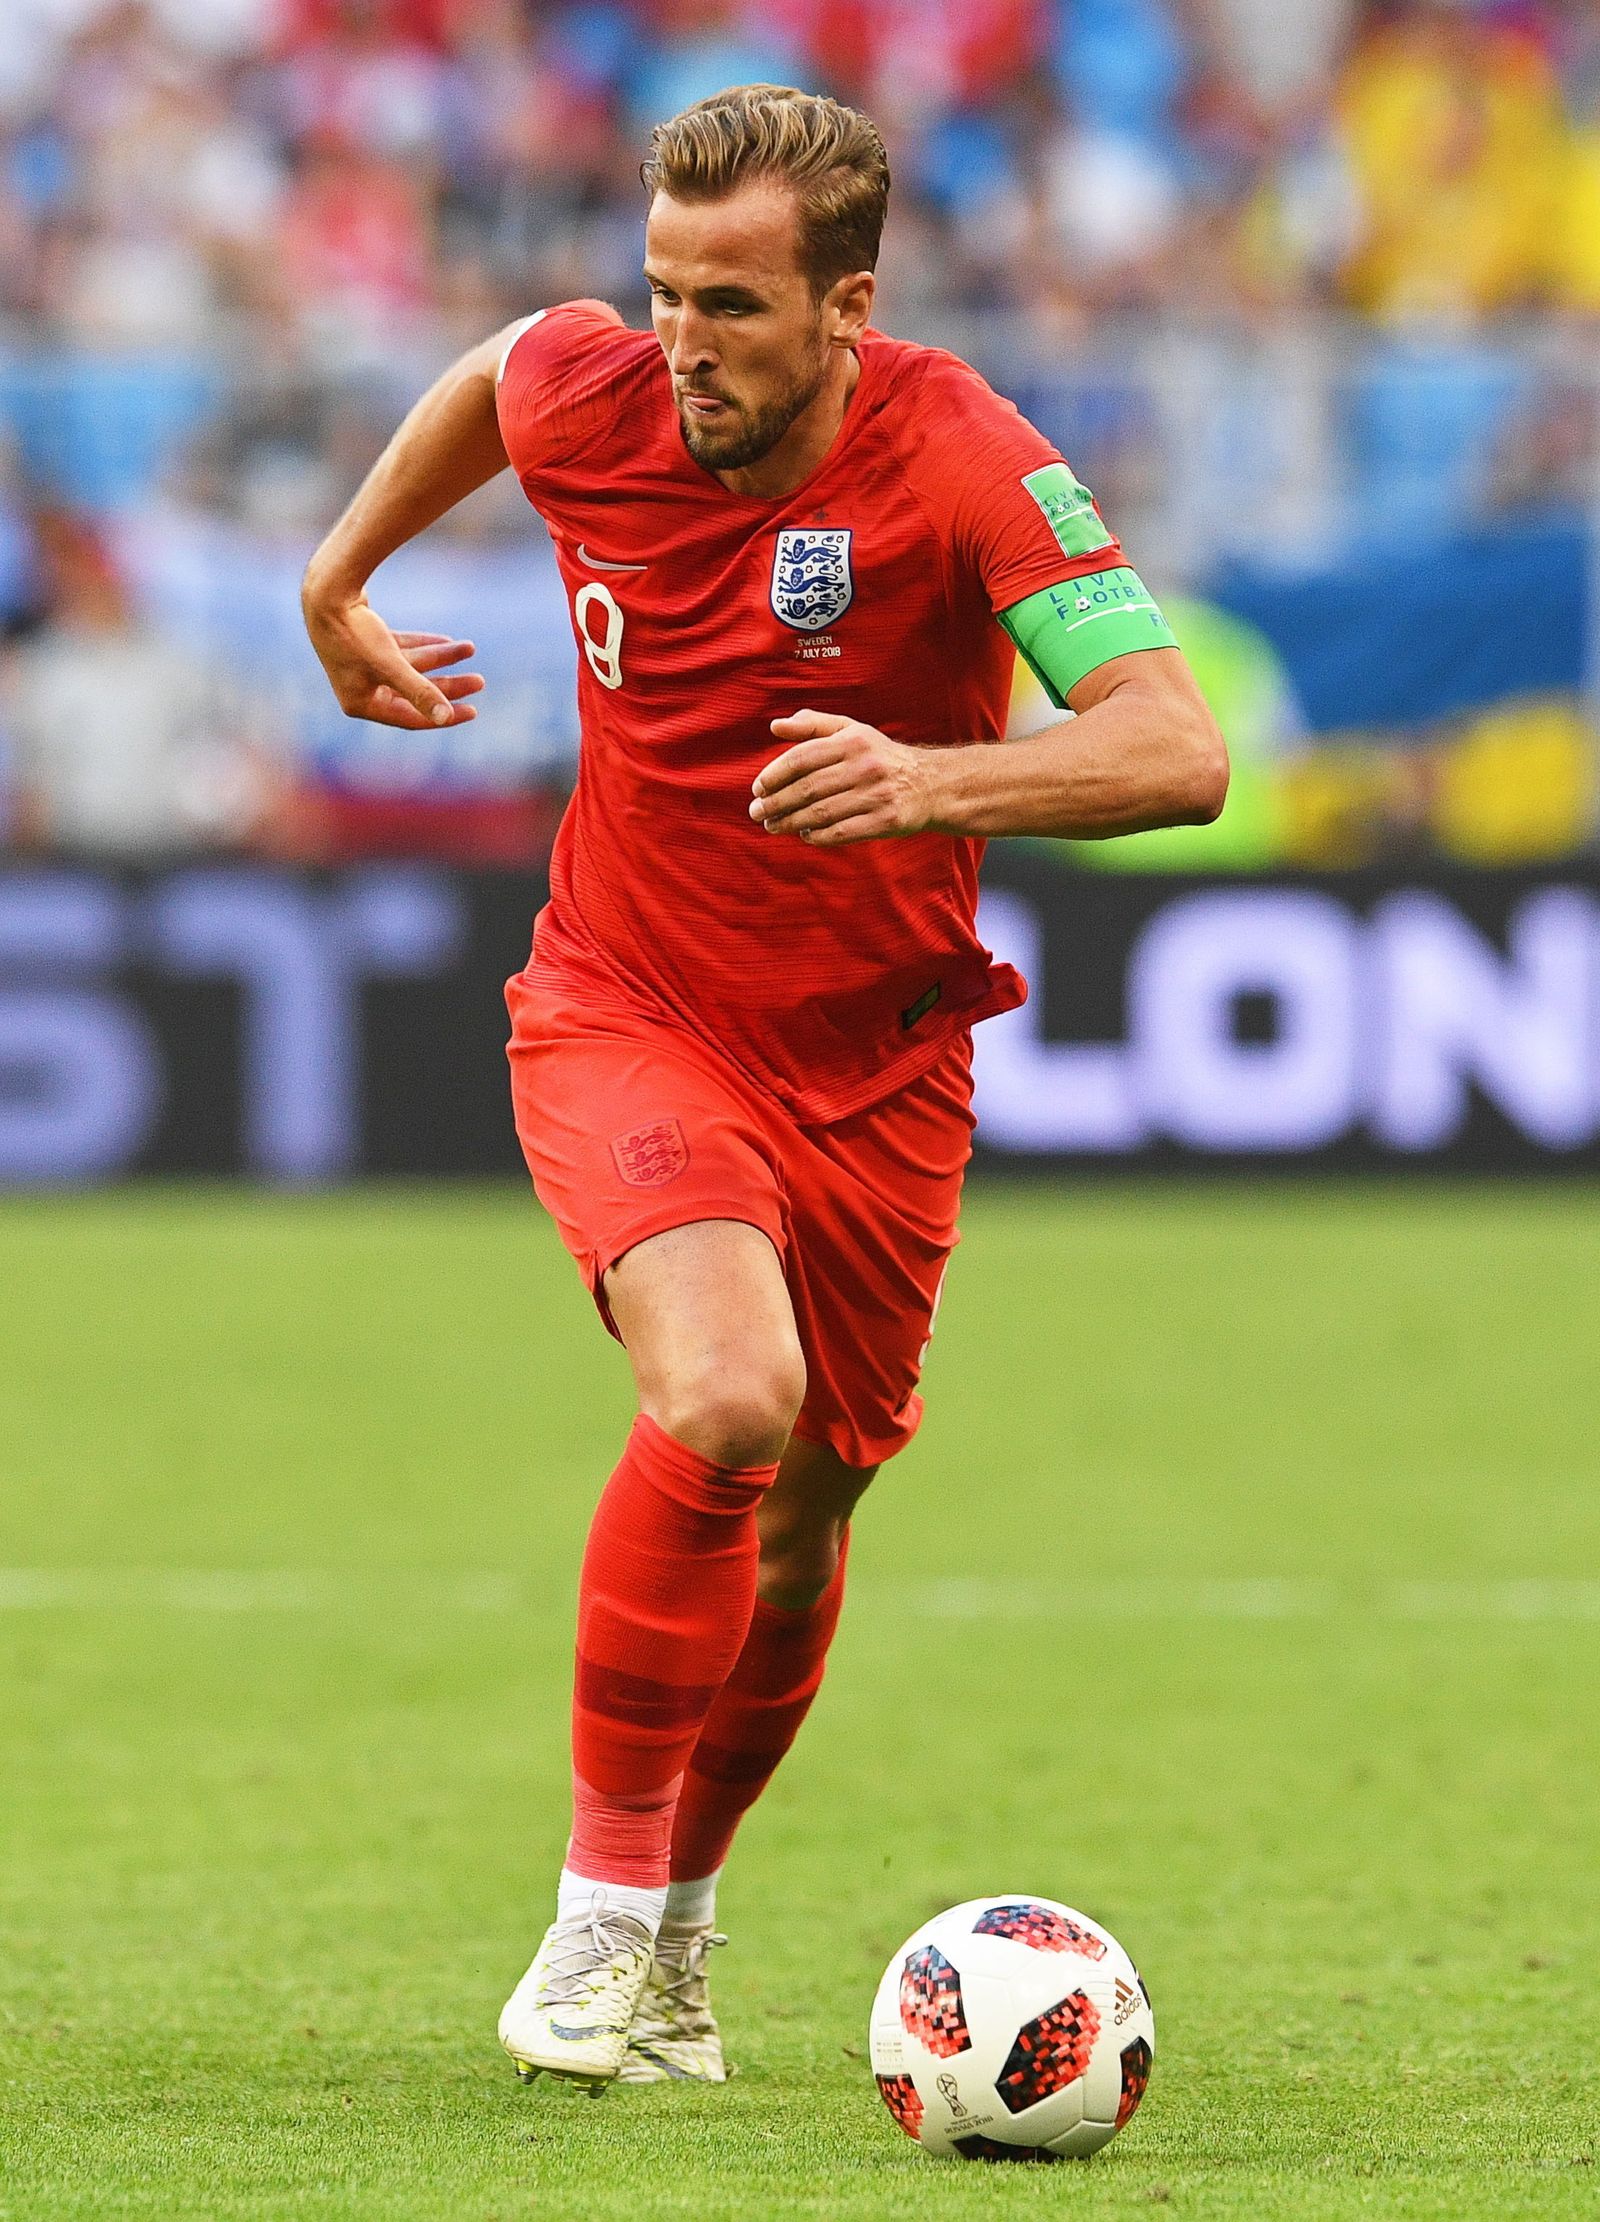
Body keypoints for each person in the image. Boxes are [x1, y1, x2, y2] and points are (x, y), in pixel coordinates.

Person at [302, 83, 1226, 2094]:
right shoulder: (599, 390)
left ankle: (678, 1940)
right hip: (628, 1001)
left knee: (800, 1534)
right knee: (727, 1394)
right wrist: (338, 580)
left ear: (846, 306)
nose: (680, 343)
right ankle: (598, 1913)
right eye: (663, 291)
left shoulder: (966, 455)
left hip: (877, 1063)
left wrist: (929, 779)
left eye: (727, 303)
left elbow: (1178, 750)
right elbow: (500, 373)